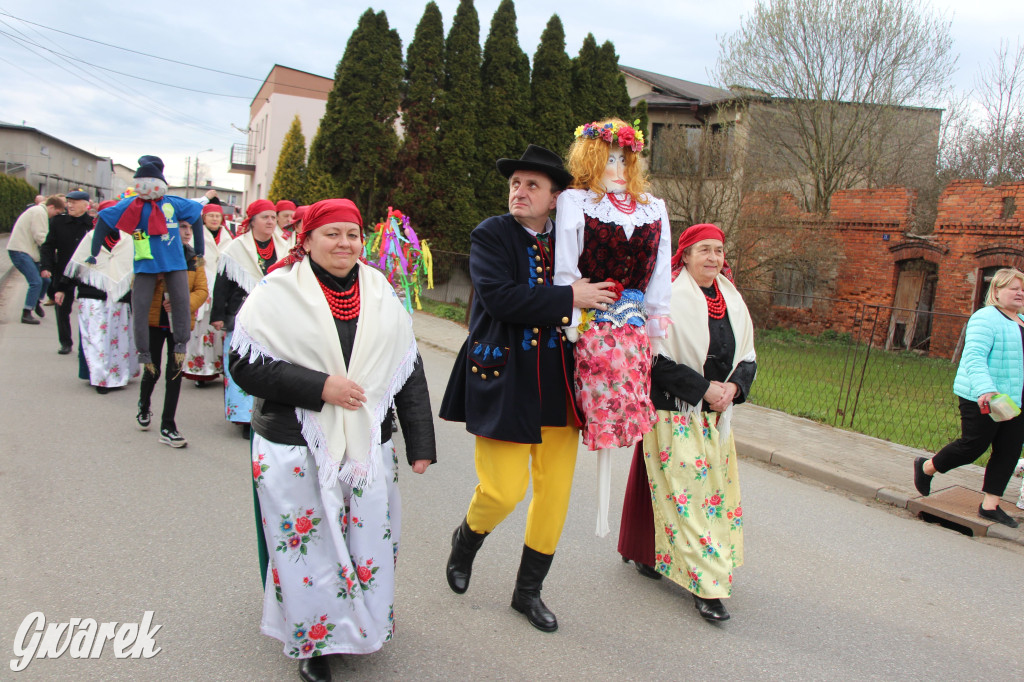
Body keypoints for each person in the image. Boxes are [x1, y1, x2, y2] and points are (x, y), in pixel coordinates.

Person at [227, 199, 435, 682]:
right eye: (332, 234)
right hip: (294, 443)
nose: (345, 244)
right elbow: (244, 364)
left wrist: (421, 442)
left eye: (353, 234)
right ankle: (315, 643)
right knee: (311, 546)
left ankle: (363, 625)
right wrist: (320, 386)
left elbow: (406, 366)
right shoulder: (276, 292)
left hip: (367, 445)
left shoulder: (380, 292)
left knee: (367, 539)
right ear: (306, 239)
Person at [439, 145, 616, 633]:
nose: (519, 191)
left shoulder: (572, 238)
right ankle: (467, 538)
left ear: (555, 198)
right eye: (515, 183)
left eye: (532, 185)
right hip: (505, 378)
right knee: (503, 491)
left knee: (554, 494)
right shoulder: (491, 234)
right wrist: (570, 296)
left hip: (560, 382)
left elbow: (603, 286)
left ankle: (528, 592)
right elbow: (501, 298)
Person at [618, 223, 756, 623]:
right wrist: (704, 389)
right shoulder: (670, 298)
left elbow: (748, 356)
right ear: (686, 256)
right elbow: (653, 359)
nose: (713, 258)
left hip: (716, 418)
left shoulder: (732, 299)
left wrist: (733, 389)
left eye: (718, 250)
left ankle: (648, 551)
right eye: (704, 250)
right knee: (693, 501)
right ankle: (707, 587)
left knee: (709, 498)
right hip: (674, 414)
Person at [553, 118, 672, 536]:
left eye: (624, 159)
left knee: (629, 403)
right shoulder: (576, 202)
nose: (618, 168)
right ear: (592, 160)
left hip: (635, 328)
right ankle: (601, 515)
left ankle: (608, 516)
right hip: (595, 324)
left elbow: (660, 271)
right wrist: (571, 317)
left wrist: (656, 327)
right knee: (600, 402)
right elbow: (566, 265)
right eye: (609, 159)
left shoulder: (653, 208)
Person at [914, 268, 1024, 529]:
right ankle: (927, 467)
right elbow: (974, 357)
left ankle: (990, 506)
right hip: (984, 397)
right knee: (973, 446)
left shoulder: (1021, 320)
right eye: (1014, 288)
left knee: (1009, 450)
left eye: (1023, 289)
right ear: (997, 290)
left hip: (1015, 400)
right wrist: (985, 388)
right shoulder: (985, 318)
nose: (1020, 293)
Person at [92, 156, 203, 376]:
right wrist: (94, 251)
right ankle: (144, 353)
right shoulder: (131, 205)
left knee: (181, 302)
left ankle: (180, 344)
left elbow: (196, 214)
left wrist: (200, 249)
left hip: (174, 261)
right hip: (145, 262)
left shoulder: (172, 203)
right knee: (140, 306)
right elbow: (105, 218)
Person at [212, 199, 287, 438]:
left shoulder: (284, 247)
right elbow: (222, 284)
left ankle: (265, 412)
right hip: (241, 315)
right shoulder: (236, 249)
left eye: (273, 217)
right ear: (252, 221)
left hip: (273, 316)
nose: (270, 221)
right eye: (265, 217)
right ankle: (244, 418)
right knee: (242, 363)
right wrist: (218, 316)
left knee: (268, 365)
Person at [136, 220, 208, 447]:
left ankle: (168, 425)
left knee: (174, 374)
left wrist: (181, 303)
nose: (187, 233)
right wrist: (154, 278)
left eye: (190, 228)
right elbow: (136, 285)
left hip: (179, 324)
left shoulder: (195, 258)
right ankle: (144, 404)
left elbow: (202, 290)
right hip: (154, 322)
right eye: (182, 227)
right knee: (153, 370)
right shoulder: (153, 252)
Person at [59, 199, 137, 393]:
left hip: (119, 297)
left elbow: (137, 265)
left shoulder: (129, 239)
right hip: (92, 295)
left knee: (118, 339)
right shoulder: (91, 237)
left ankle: (117, 376)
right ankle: (101, 379)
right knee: (96, 338)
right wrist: (61, 289)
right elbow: (76, 265)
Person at [183, 203, 234, 386]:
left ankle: (220, 368)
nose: (214, 219)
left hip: (222, 291)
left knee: (219, 333)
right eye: (210, 215)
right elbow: (193, 264)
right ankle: (201, 370)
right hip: (202, 286)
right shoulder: (197, 236)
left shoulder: (229, 238)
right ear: (204, 218)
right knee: (202, 331)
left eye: (217, 216)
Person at [41, 190, 94, 353]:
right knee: (62, 308)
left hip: (87, 272)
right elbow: (48, 246)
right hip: (64, 271)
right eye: (68, 202)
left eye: (74, 203)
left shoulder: (93, 224)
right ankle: (65, 342)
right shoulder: (58, 222)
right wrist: (46, 266)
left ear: (85, 205)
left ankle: (86, 345)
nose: (69, 205)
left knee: (88, 309)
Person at [7, 195, 64, 325]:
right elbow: (41, 237)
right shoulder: (39, 212)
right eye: (56, 212)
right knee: (36, 282)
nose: (55, 216)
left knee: (46, 280)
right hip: (20, 251)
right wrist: (53, 251)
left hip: (27, 251)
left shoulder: (40, 211)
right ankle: (27, 312)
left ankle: (35, 301)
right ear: (51, 206)